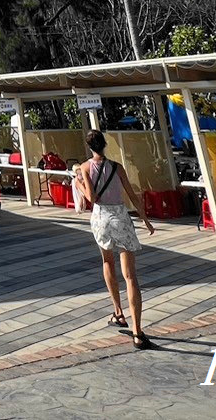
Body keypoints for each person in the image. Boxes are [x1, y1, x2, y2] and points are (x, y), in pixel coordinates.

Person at [72, 130, 156, 350]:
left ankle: (118, 311)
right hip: (120, 216)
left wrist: (78, 182)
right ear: (105, 144)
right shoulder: (117, 167)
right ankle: (138, 331)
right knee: (130, 275)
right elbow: (131, 194)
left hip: (101, 218)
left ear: (89, 146)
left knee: (107, 262)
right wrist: (145, 219)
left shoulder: (85, 167)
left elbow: (91, 198)